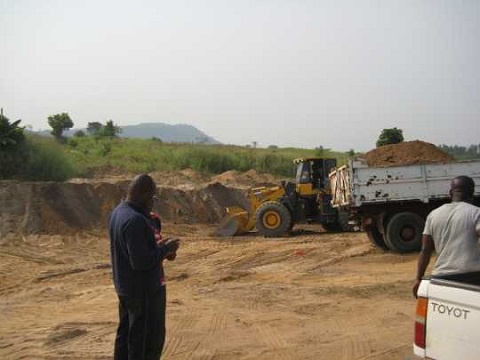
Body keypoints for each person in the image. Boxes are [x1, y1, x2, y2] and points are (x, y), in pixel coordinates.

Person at [109, 174, 180, 359]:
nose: (153, 202)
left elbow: (136, 251)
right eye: (152, 197)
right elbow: (140, 262)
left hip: (126, 288)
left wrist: (160, 249)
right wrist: (166, 249)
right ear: (143, 194)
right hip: (144, 292)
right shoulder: (135, 221)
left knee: (126, 336)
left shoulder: (118, 212)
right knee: (147, 341)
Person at [413, 175, 480, 297]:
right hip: (470, 278)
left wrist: (418, 279)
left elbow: (425, 250)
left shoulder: (433, 215)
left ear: (450, 193)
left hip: (440, 277)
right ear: (472, 193)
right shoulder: (476, 212)